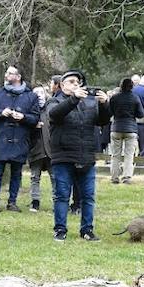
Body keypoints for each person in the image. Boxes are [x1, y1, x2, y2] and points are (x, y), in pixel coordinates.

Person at [47, 69, 111, 241]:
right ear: (61, 85)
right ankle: (60, 230)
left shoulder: (89, 102)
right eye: (71, 82)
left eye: (78, 82)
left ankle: (87, 230)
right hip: (64, 156)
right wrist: (74, 98)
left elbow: (103, 121)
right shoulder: (54, 101)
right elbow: (55, 114)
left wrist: (105, 104)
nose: (76, 84)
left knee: (88, 196)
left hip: (86, 155)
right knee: (62, 195)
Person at [0, 65, 39, 212]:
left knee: (16, 173)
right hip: (0, 139)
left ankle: (12, 202)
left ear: (18, 76)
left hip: (20, 139)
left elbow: (35, 118)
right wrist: (1, 113)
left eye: (10, 73)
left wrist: (23, 117)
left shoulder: (31, 96)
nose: (6, 75)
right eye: (6, 73)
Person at [107, 77, 144, 184]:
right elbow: (141, 114)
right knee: (129, 155)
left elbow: (109, 112)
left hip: (116, 128)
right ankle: (127, 176)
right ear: (132, 86)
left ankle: (114, 177)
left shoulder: (114, 98)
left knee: (115, 154)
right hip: (131, 129)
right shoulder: (135, 98)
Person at [27, 84, 52, 212]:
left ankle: (57, 201)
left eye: (41, 93)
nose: (39, 96)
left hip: (51, 150)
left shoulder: (51, 109)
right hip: (35, 149)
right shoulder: (29, 111)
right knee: (34, 177)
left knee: (55, 177)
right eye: (36, 93)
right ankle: (35, 201)